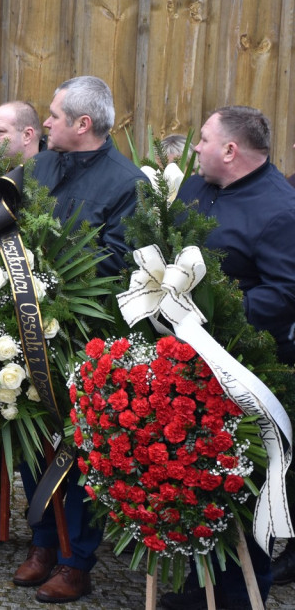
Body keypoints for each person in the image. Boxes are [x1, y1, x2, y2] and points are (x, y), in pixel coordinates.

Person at [159, 106, 295, 609]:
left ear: (230, 150)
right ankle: (201, 587)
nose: (194, 148)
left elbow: (285, 293)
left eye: (203, 139)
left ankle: (238, 594)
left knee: (240, 485)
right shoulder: (196, 191)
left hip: (247, 369)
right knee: (194, 474)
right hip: (185, 356)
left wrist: (213, 312)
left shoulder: (281, 210)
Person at [15, 75, 144, 602]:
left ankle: (77, 560)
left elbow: (116, 262)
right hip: (23, 331)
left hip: (84, 339)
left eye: (53, 115)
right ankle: (43, 543)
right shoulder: (38, 166)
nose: (44, 123)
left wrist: (52, 276)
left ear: (82, 124)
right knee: (26, 438)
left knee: (78, 449)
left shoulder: (126, 182)